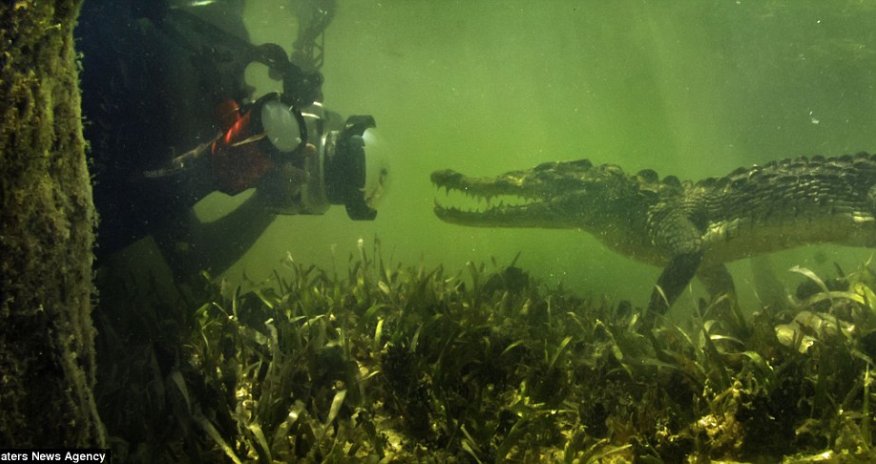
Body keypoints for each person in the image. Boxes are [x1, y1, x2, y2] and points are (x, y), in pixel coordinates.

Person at [77, 0, 384, 278]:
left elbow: (189, 256)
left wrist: (262, 185)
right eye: (233, 72)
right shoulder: (103, 46)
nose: (246, 93)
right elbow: (80, 233)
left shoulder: (150, 126)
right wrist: (213, 174)